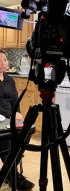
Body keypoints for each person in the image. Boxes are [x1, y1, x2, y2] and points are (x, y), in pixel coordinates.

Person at [0, 49, 35, 190]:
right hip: (1, 118)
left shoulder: (10, 79)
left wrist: (18, 114)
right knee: (5, 142)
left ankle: (8, 171)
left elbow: (15, 100)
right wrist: (11, 115)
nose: (3, 63)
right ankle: (13, 176)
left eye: (4, 60)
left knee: (27, 132)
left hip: (11, 117)